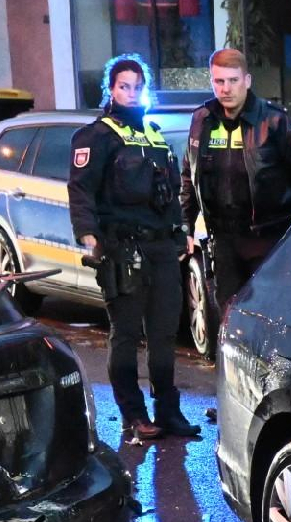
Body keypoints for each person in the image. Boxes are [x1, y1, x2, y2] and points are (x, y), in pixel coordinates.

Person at [70, 54, 197, 441]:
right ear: (111, 89)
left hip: (160, 249)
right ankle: (133, 415)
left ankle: (168, 412)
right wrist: (89, 236)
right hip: (122, 249)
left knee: (162, 335)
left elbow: (171, 192)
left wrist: (181, 233)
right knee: (125, 335)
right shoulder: (96, 136)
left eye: (138, 86)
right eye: (124, 86)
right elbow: (80, 190)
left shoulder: (154, 133)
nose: (132, 93)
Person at [181, 48, 291, 330]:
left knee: (269, 318)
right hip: (222, 238)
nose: (226, 89)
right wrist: (186, 227)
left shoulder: (275, 121)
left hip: (268, 237)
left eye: (233, 81)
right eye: (219, 82)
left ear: (247, 81)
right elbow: (189, 176)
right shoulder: (202, 120)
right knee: (229, 321)